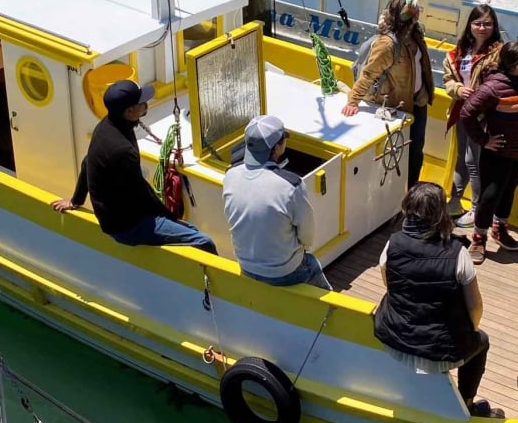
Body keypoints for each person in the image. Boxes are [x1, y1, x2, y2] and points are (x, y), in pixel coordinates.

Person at [373, 183, 500, 418]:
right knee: (481, 341)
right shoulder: (458, 253)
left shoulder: (393, 243)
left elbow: (388, 284)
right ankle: (466, 405)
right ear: (440, 213)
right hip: (439, 349)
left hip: (395, 337)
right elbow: (475, 307)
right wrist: (470, 330)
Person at [51, 80, 216, 253]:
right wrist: (170, 216)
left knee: (190, 230)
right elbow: (141, 194)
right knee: (202, 241)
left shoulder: (104, 127)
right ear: (129, 111)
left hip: (116, 217)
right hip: (126, 228)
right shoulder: (123, 150)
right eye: (142, 103)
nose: (146, 104)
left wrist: (76, 200)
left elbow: (87, 163)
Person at [459, 40, 518, 266]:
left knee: (509, 190)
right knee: (489, 196)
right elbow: (466, 114)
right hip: (498, 153)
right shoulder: (492, 88)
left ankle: (500, 228)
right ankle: (478, 238)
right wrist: (484, 139)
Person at [222, 115, 329, 289]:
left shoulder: (230, 176)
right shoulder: (291, 185)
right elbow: (307, 237)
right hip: (283, 272)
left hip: (246, 265)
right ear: (278, 147)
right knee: (312, 264)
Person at [342, 0, 434, 190]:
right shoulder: (387, 43)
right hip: (397, 108)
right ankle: (396, 196)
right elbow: (368, 74)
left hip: (418, 102)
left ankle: (412, 191)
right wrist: (352, 101)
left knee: (416, 151)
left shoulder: (415, 34)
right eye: (415, 12)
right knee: (397, 155)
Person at [442, 5, 502, 228]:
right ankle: (456, 201)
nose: (482, 27)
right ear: (469, 25)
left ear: (494, 26)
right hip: (461, 111)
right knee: (461, 159)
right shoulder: (460, 50)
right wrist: (457, 89)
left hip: (483, 116)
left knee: (473, 161)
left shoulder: (499, 52)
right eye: (478, 23)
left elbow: (500, 84)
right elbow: (447, 79)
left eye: (487, 23)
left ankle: (477, 209)